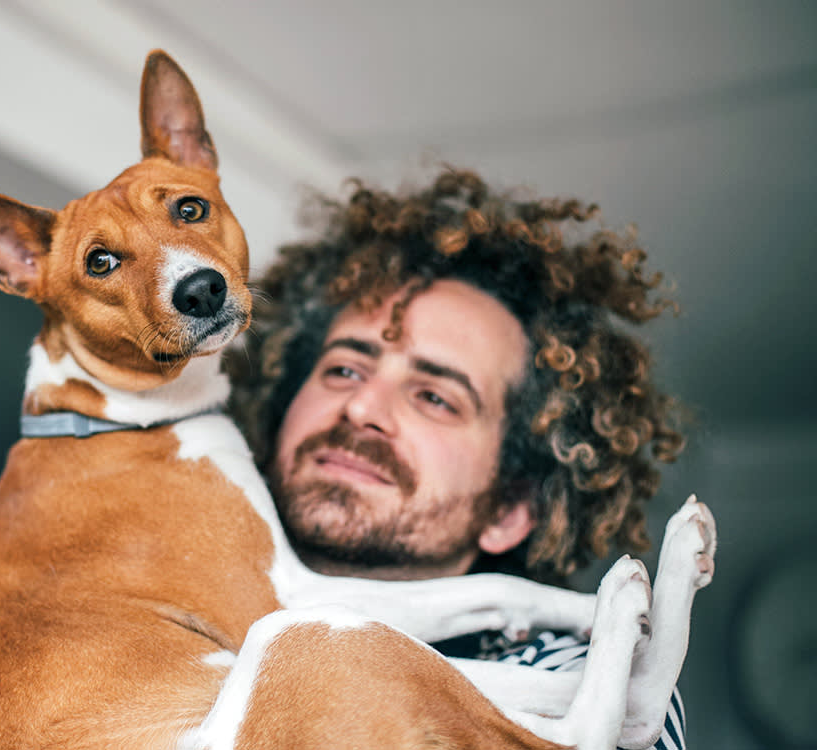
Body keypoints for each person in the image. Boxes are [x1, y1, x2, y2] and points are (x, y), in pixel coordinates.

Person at [226, 167, 688, 749]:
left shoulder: (583, 681)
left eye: (434, 398)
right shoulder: (158, 597)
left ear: (507, 510)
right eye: (344, 368)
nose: (362, 406)